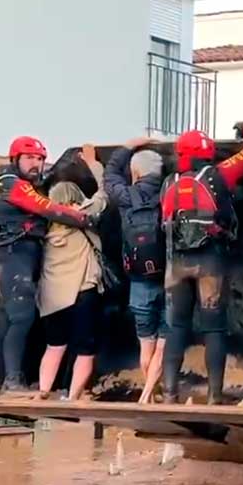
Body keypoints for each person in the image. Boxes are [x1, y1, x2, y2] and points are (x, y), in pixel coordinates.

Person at [159, 122, 243, 405]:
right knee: (214, 328)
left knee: (177, 327)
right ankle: (214, 395)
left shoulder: (169, 182)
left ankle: (169, 393)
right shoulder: (219, 174)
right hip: (211, 261)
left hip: (177, 263)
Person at [0, 136, 91, 397]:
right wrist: (82, 217)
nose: (36, 164)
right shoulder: (12, 185)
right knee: (21, 318)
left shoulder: (1, 184)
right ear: (14, 159)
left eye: (40, 159)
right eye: (29, 158)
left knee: (7, 321)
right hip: (13, 258)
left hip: (4, 259)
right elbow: (48, 208)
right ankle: (13, 381)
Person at [35, 146, 110, 401]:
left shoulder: (44, 230)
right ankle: (74, 396)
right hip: (83, 291)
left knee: (54, 346)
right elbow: (104, 193)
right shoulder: (80, 214)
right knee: (85, 350)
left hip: (52, 297)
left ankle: (43, 392)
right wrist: (93, 163)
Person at [101, 137, 169, 404]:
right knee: (163, 345)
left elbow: (109, 174)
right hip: (168, 278)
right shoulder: (168, 193)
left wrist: (128, 145)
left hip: (138, 281)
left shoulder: (126, 196)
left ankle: (148, 397)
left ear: (136, 172)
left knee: (146, 343)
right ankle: (149, 394)